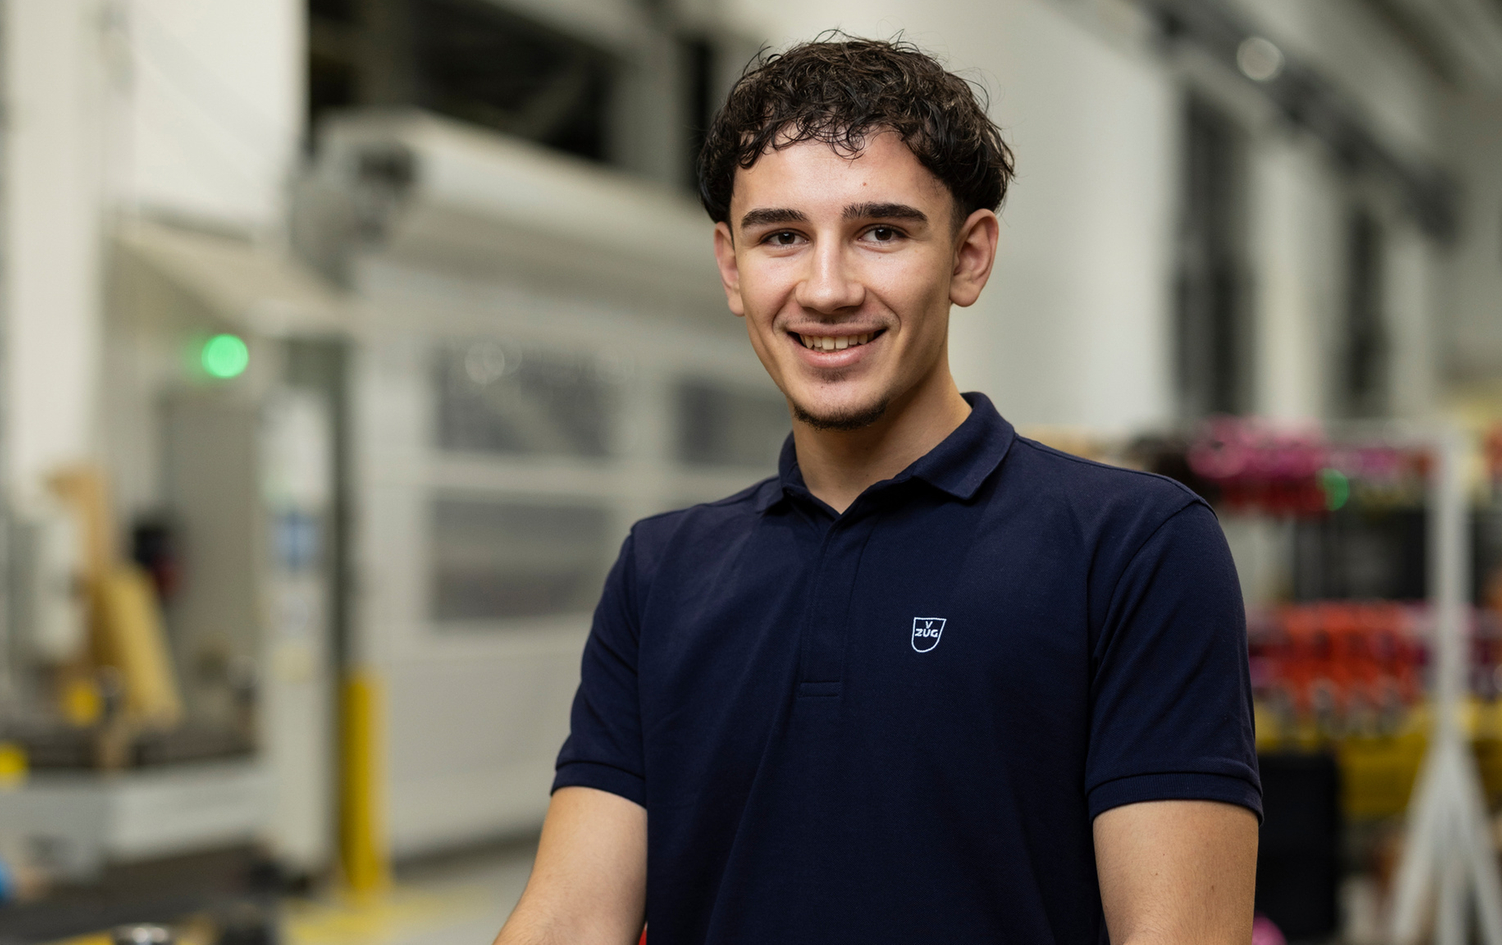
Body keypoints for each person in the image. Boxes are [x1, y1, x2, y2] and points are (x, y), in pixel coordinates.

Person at [494, 35, 1259, 945]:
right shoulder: (662, 571)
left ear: (970, 258)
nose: (826, 288)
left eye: (880, 231)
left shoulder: (1134, 548)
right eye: (782, 236)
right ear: (732, 267)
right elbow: (571, 921)